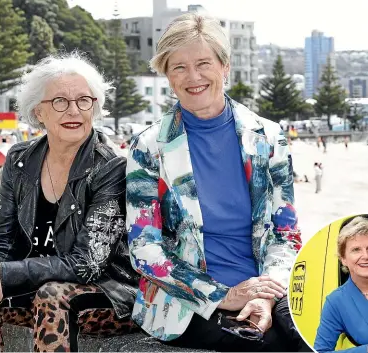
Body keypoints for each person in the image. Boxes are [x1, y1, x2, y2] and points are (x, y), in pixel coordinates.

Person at [126, 13, 308, 352]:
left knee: (316, 335)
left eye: (204, 63)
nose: (193, 77)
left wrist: (266, 294)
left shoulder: (268, 137)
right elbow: (144, 249)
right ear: (167, 75)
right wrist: (225, 296)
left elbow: (287, 233)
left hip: (267, 287)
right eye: (178, 67)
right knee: (264, 344)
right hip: (187, 301)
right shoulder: (150, 146)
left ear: (225, 66)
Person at [0, 52, 139, 352]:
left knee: (52, 295)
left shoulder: (110, 167)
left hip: (110, 293)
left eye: (83, 101)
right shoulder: (19, 161)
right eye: (60, 101)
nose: (73, 110)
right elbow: (1, 238)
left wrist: (4, 273)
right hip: (39, 285)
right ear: (39, 112)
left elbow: (86, 265)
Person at [314, 215, 368, 353]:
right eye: (356, 250)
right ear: (343, 259)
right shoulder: (336, 301)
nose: (365, 256)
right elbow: (321, 350)